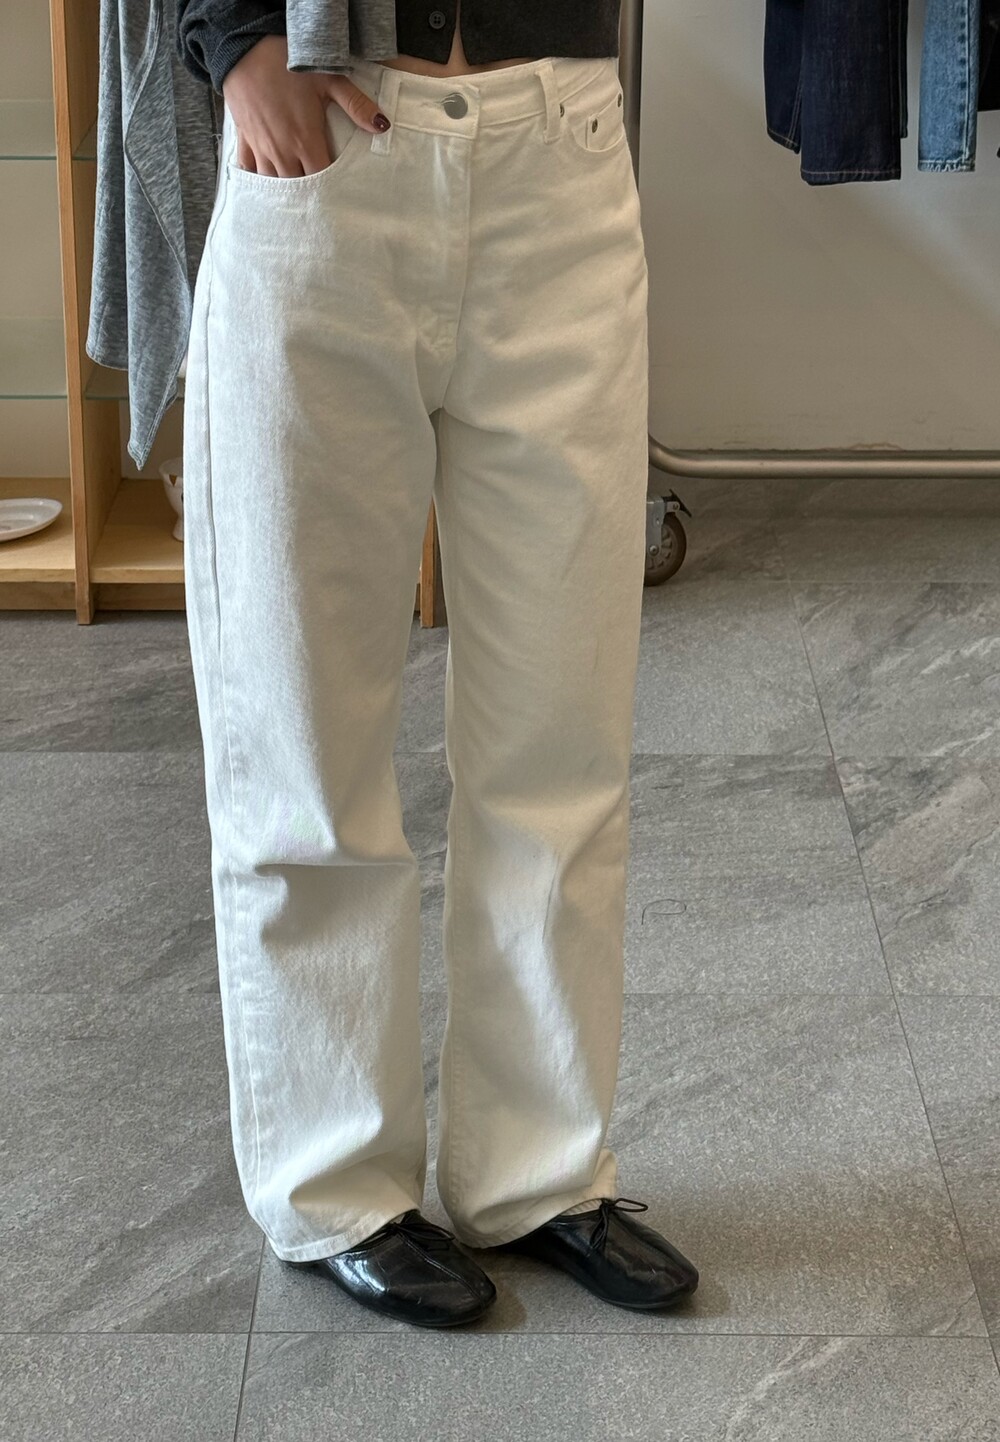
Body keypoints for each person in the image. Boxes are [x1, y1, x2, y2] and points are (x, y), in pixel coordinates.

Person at [176, 0, 699, 1329]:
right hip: (323, 147)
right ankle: (335, 1183)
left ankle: (538, 1170)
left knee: (562, 729)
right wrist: (232, 38)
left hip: (560, 147)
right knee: (303, 732)